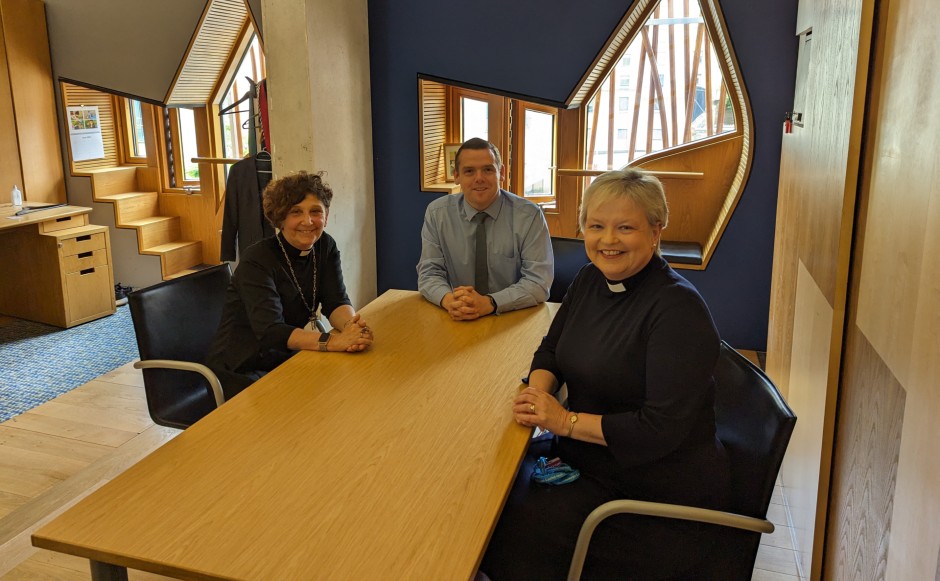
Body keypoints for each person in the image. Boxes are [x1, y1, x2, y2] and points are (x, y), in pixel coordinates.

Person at [479, 169, 730, 580]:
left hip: (649, 494)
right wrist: (534, 395)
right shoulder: (590, 279)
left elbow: (658, 431)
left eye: (625, 227)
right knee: (485, 495)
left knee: (501, 531)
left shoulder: (678, 310)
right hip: (589, 459)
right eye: (596, 226)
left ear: (655, 231)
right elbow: (553, 350)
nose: (607, 240)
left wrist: (562, 421)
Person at [207, 171, 373, 399]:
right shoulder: (257, 260)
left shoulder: (325, 245)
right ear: (280, 218)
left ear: (326, 215)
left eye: (316, 212)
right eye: (296, 212)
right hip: (242, 368)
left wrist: (352, 328)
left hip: (284, 357)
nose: (308, 221)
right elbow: (271, 332)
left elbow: (336, 301)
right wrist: (334, 342)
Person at [417, 138, 553, 320]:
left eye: (488, 169)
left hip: (512, 316)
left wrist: (490, 303)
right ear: (456, 175)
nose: (479, 178)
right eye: (469, 171)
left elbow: (538, 282)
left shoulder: (529, 216)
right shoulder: (437, 213)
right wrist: (450, 301)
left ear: (501, 172)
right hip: (457, 315)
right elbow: (429, 273)